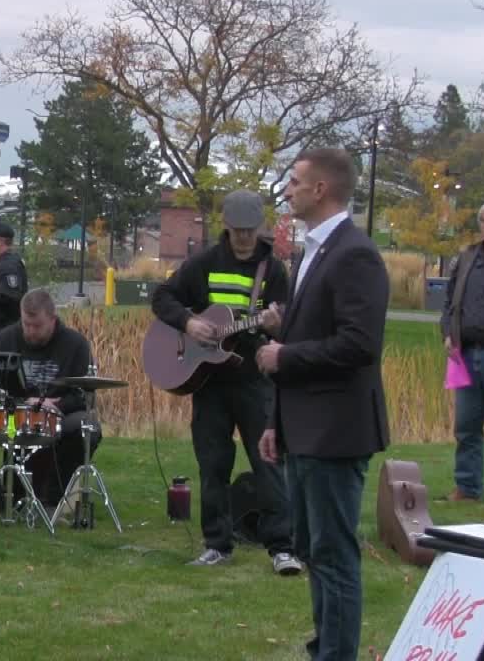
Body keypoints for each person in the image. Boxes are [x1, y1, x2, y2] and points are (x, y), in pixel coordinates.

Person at [256, 148, 390, 661]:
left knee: (333, 554)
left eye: (293, 182)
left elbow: (359, 344)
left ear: (321, 190)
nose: (286, 190)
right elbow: (317, 329)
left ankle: (337, 655)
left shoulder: (355, 254)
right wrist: (277, 423)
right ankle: (325, 648)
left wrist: (285, 352)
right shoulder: (310, 250)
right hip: (304, 427)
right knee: (313, 549)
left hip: (336, 431)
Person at [150, 190, 300, 575]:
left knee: (267, 461)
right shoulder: (203, 263)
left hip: (254, 380)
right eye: (239, 232)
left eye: (251, 231)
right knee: (213, 463)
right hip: (210, 383)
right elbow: (163, 297)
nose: (246, 238)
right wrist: (189, 322)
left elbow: (287, 324)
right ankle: (217, 544)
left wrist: (276, 324)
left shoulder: (274, 271)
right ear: (227, 229)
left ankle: (282, 547)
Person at [0, 289, 96, 506]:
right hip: (10, 414)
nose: (30, 331)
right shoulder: (6, 339)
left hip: (55, 415)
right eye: (26, 324)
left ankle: (55, 497)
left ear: (53, 319)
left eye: (37, 326)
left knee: (87, 426)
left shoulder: (75, 345)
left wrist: (55, 405)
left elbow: (82, 396)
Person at [439, 199, 484, 502]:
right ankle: (467, 488)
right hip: (466, 356)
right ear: (480, 224)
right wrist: (449, 334)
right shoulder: (467, 258)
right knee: (467, 426)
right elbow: (449, 304)